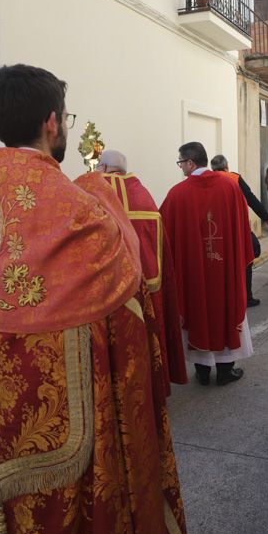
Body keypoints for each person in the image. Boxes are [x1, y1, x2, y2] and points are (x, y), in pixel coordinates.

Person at [0, 65, 186, 534]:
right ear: (52, 122)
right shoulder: (76, 204)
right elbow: (126, 277)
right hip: (61, 421)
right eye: (67, 118)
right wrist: (101, 195)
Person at [162, 142, 254, 386]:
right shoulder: (230, 187)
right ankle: (225, 370)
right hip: (225, 269)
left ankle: (202, 371)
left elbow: (162, 234)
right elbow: (242, 226)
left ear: (191, 162)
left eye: (181, 162)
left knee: (198, 308)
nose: (180, 167)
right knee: (225, 306)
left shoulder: (177, 194)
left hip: (194, 272)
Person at [96, 149, 188, 388]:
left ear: (104, 168)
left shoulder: (92, 192)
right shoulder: (143, 195)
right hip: (144, 288)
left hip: (105, 292)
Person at [209, 154, 268, 308]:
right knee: (250, 253)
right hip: (236, 228)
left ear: (212, 168)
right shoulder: (234, 178)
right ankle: (246, 297)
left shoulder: (207, 181)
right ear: (227, 167)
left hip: (213, 232)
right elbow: (251, 200)